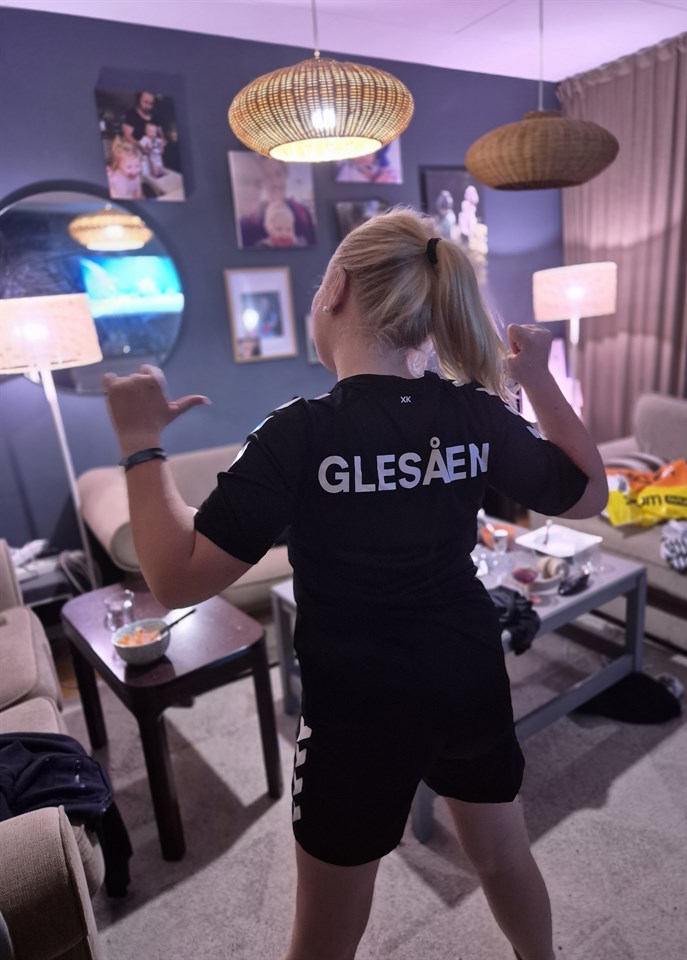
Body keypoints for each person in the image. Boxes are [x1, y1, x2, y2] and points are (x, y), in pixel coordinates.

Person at [103, 208, 607, 960]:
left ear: (334, 289)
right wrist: (534, 376)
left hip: (358, 705)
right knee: (504, 858)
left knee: (326, 929)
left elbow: (174, 578)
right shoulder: (474, 412)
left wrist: (140, 443)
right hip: (466, 670)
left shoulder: (300, 431)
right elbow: (590, 493)